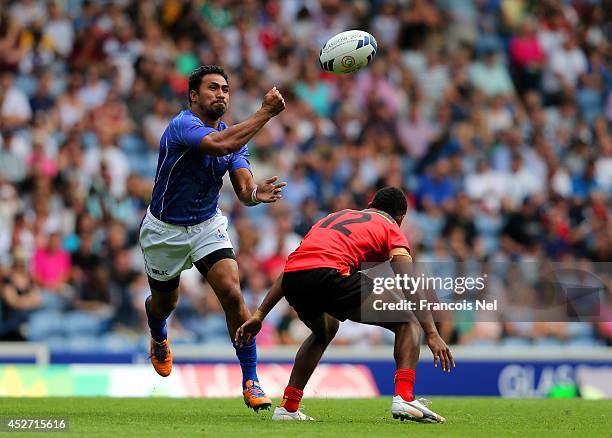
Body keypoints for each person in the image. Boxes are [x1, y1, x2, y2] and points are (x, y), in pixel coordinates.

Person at [236, 187, 454, 422]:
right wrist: (431, 333)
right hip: (330, 274)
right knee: (407, 320)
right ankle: (404, 397)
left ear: (371, 205)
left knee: (325, 330)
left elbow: (293, 268)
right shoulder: (390, 227)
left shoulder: (332, 218)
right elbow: (408, 278)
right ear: (400, 218)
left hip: (295, 280)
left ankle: (288, 407)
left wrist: (259, 314)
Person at [139, 65, 286, 411]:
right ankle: (158, 332)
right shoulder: (183, 126)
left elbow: (243, 190)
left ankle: (251, 380)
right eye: (213, 88)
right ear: (194, 96)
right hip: (165, 230)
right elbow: (218, 144)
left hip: (206, 225)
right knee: (165, 304)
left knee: (233, 294)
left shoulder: (235, 137)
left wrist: (255, 194)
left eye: (225, 89)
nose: (221, 94)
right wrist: (265, 112)